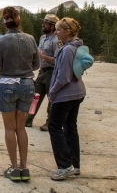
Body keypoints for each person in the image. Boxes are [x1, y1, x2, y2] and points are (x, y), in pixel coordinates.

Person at [0, 7, 39, 182]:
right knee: (21, 128)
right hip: (27, 85)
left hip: (7, 85)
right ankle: (24, 167)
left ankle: (13, 169)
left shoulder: (0, 41)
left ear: (5, 23)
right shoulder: (30, 39)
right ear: (19, 21)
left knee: (9, 128)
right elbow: (36, 64)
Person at [47, 17, 86, 181]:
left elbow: (63, 77)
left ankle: (64, 166)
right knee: (70, 127)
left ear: (67, 31)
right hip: (77, 93)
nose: (55, 32)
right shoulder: (74, 46)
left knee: (54, 126)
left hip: (65, 95)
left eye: (58, 30)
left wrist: (52, 92)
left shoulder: (68, 49)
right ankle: (75, 165)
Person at [25, 14, 60, 131]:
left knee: (52, 98)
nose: (43, 25)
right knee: (35, 96)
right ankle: (28, 119)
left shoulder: (56, 41)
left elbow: (58, 60)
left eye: (45, 23)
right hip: (42, 71)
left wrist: (44, 57)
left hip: (52, 72)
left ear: (52, 26)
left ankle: (49, 122)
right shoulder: (42, 38)